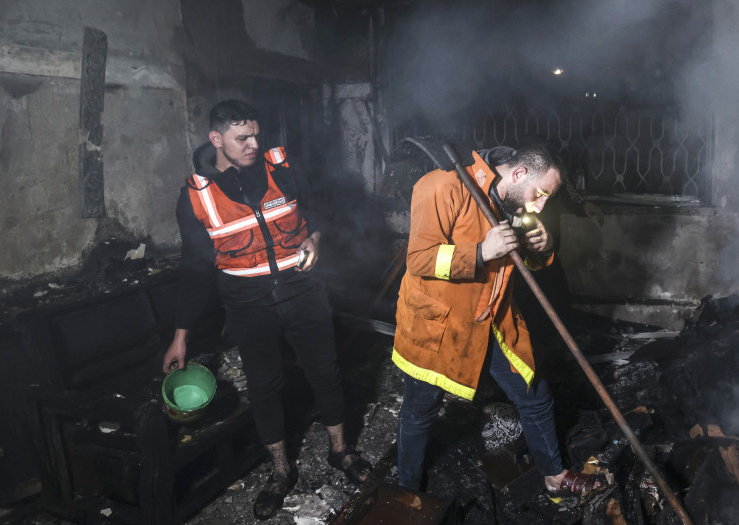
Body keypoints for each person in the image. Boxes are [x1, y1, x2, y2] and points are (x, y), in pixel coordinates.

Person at [163, 100, 369, 520]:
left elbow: (317, 209)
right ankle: (279, 471)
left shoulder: (282, 167)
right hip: (247, 304)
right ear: (216, 139)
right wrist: (180, 334)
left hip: (304, 290)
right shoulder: (196, 197)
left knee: (326, 372)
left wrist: (315, 237)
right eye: (243, 138)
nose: (255, 144)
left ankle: (341, 452)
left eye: (256, 134)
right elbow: (195, 269)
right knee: (265, 386)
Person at [392, 144, 605, 497]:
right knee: (420, 412)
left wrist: (542, 247)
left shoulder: (513, 204)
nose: (540, 206)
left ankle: (554, 476)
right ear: (519, 174)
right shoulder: (443, 185)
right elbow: (418, 259)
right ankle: (405, 492)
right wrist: (479, 252)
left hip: (493, 321)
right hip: (439, 326)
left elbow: (521, 263)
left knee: (535, 395)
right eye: (541, 195)